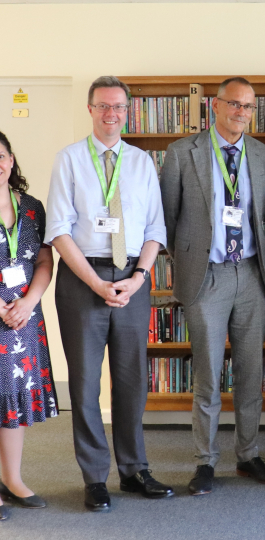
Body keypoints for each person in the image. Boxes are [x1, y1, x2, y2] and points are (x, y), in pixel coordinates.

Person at [46, 76, 173, 512]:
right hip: (84, 280)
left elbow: (155, 229)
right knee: (83, 385)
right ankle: (95, 478)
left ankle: (135, 470)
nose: (111, 114)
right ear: (90, 109)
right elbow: (59, 231)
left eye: (118, 107)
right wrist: (97, 282)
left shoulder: (140, 162)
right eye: (103, 106)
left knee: (132, 382)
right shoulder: (69, 160)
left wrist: (138, 277)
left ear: (127, 111)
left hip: (132, 279)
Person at [161, 77, 265, 495]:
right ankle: (205, 461)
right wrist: (191, 261)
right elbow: (169, 219)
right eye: (234, 104)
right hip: (207, 274)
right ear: (215, 106)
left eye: (249, 107)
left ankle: (248, 455)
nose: (241, 113)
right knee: (209, 374)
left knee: (251, 373)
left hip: (251, 273)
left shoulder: (264, 155)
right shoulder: (182, 153)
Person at [0, 132, 58, 520]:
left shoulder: (32, 207)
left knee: (13, 402)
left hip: (23, 317)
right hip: (3, 311)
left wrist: (30, 301)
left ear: (12, 159)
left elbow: (43, 260)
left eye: (1, 155)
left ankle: (13, 479)